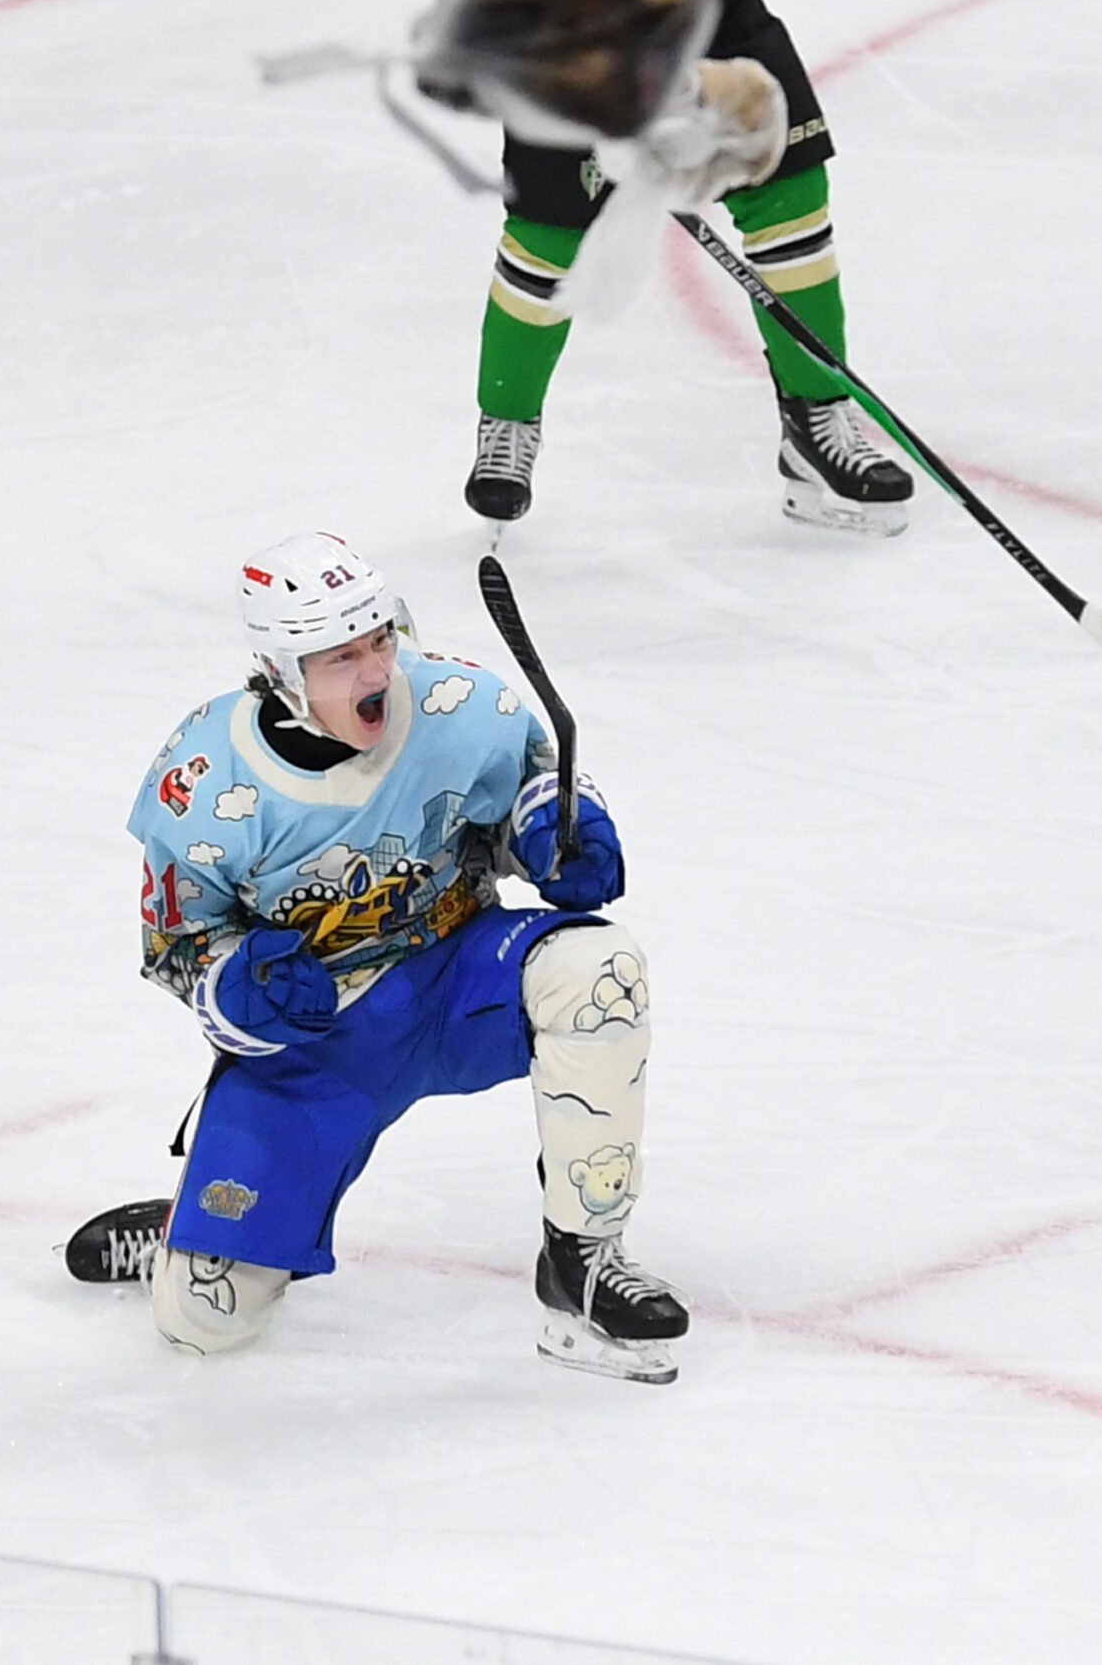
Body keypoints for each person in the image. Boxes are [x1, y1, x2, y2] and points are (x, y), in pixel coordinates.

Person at [66, 531, 689, 1383]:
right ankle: (199, 1231)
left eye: (379, 640)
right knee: (205, 1321)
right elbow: (179, 944)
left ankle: (581, 1260)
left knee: (599, 968)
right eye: (342, 656)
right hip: (319, 1041)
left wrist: (553, 832)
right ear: (283, 672)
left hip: (460, 974)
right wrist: (241, 990)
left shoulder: (462, 706)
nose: (376, 670)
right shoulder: (205, 780)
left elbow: (529, 790)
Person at [426, 0, 915, 535]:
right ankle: (508, 422)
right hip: (571, 31)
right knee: (550, 232)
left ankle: (818, 417)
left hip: (718, 7)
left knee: (791, 192)